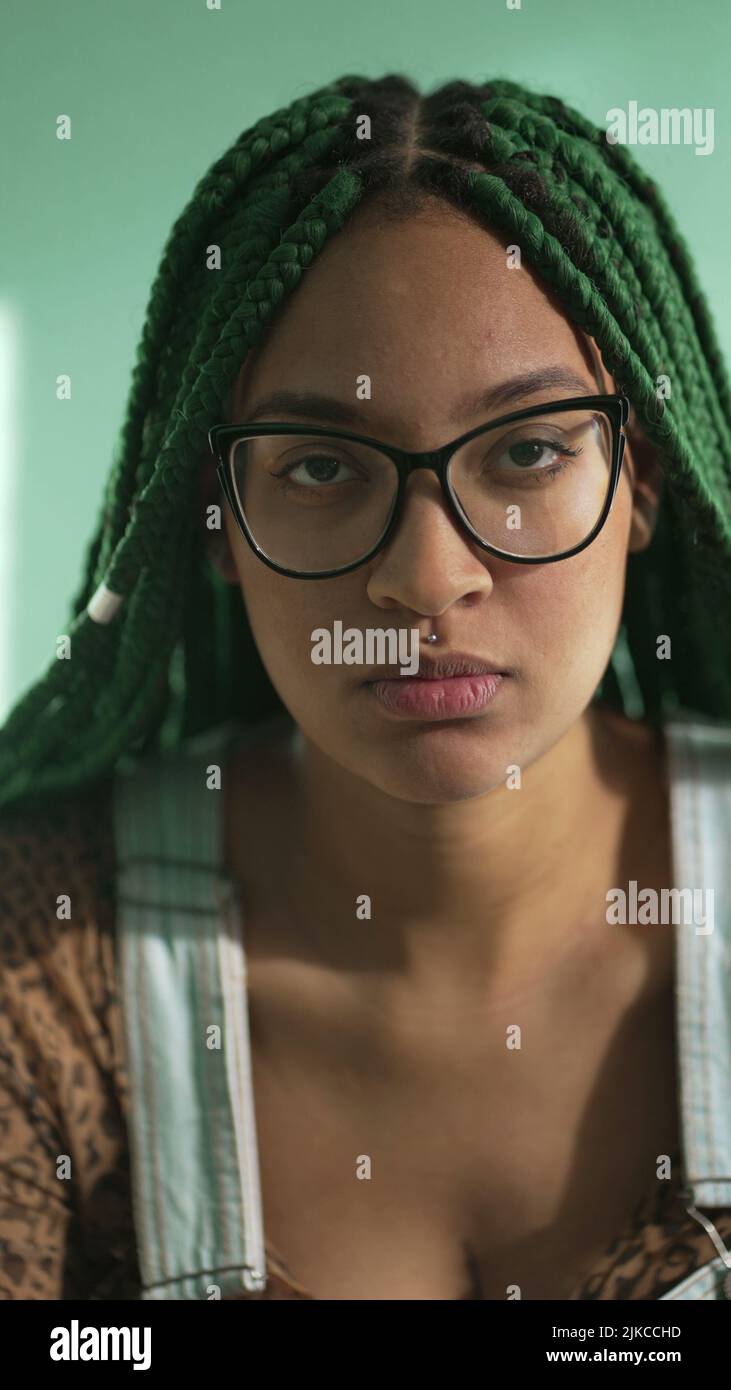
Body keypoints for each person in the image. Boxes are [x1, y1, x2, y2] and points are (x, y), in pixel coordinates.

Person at [2, 73, 731, 1302]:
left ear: (640, 476)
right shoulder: (41, 964)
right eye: (325, 465)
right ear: (216, 522)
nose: (424, 576)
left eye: (526, 450)